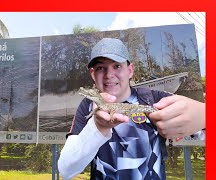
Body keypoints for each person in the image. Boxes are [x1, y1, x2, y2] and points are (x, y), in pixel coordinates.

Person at [57, 38, 205, 180]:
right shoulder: (87, 105)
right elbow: (66, 170)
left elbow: (201, 133)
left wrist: (203, 115)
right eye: (101, 68)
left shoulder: (156, 99)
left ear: (130, 70)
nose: (109, 75)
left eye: (117, 66)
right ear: (93, 74)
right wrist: (97, 127)